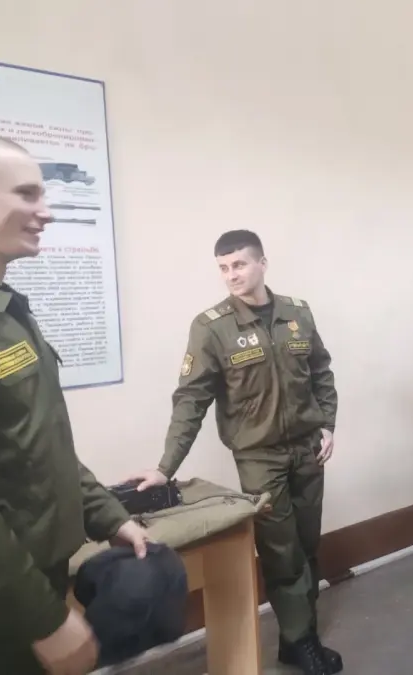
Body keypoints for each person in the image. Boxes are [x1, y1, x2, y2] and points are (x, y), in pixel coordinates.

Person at [0, 130, 150, 675]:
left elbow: (36, 440)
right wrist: (43, 621)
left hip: (31, 583)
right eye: (26, 194)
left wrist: (107, 515)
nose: (46, 212)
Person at [128, 229, 341, 675]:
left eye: (239, 264)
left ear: (262, 263)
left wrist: (327, 424)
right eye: (223, 268)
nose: (231, 275)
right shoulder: (212, 327)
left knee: (307, 546)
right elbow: (191, 399)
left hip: (308, 451)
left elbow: (320, 370)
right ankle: (303, 641)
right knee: (282, 553)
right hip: (260, 458)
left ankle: (296, 639)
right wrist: (167, 467)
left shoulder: (297, 313)